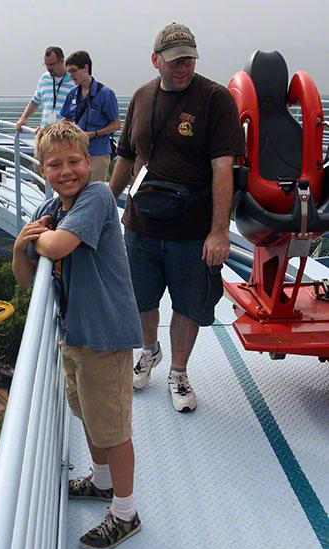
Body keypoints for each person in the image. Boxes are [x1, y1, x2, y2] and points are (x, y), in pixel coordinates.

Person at [12, 120, 143, 549]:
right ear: (42, 168)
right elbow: (27, 278)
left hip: (105, 334)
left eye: (74, 161)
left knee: (112, 428)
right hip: (75, 334)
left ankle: (125, 513)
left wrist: (39, 239)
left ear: (90, 162)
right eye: (55, 164)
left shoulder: (97, 196)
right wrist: (19, 248)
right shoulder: (50, 208)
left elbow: (57, 247)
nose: (66, 170)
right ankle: (103, 483)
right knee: (88, 414)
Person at [109, 23, 245, 413]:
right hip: (142, 223)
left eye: (189, 58)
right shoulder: (141, 97)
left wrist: (219, 232)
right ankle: (149, 351)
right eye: (174, 60)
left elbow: (224, 170)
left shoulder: (215, 100)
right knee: (140, 299)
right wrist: (107, 200)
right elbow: (127, 157)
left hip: (192, 228)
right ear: (156, 61)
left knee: (188, 306)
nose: (183, 67)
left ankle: (179, 372)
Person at [60, 51, 121, 182]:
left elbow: (116, 124)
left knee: (93, 194)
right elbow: (67, 118)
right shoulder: (73, 94)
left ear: (86, 68)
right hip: (77, 152)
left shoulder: (105, 93)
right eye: (69, 72)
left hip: (98, 152)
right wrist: (49, 129)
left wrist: (95, 133)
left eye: (73, 71)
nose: (71, 76)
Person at [16, 46, 74, 132]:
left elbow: (76, 112)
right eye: (46, 64)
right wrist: (23, 117)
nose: (48, 68)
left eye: (51, 64)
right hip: (46, 135)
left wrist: (55, 128)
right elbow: (35, 101)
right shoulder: (44, 78)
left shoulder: (73, 81)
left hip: (65, 136)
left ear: (62, 61)